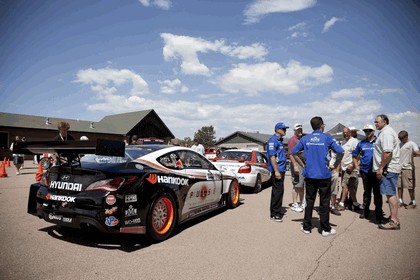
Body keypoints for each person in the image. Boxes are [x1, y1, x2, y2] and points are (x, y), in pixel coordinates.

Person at [292, 116, 344, 236]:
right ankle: (325, 229)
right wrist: (335, 164)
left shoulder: (306, 138)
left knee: (309, 201)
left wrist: (303, 165)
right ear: (322, 125)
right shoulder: (327, 138)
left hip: (310, 174)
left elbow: (294, 152)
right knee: (324, 202)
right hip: (324, 174)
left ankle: (307, 227)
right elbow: (340, 151)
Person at [352, 124, 385, 223]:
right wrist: (356, 166)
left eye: (369, 131)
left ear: (373, 131)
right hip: (365, 171)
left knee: (377, 193)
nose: (367, 132)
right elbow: (354, 155)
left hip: (376, 171)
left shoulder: (379, 142)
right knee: (367, 192)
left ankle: (378, 213)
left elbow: (386, 154)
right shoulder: (361, 143)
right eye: (365, 131)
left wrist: (382, 168)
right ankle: (365, 211)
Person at [373, 114, 401, 230]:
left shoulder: (387, 133)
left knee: (390, 194)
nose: (376, 124)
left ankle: (394, 221)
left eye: (377, 122)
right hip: (388, 168)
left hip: (388, 169)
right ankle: (393, 218)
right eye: (375, 122)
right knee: (390, 194)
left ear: (385, 121)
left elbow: (387, 153)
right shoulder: (384, 132)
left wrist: (381, 168)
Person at [267, 122, 289, 222]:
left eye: (285, 129)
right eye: (283, 129)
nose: (285, 131)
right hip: (278, 170)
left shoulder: (280, 140)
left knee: (279, 191)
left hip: (282, 169)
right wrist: (276, 171)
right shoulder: (273, 140)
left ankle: (277, 211)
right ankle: (275, 213)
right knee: (277, 191)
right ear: (277, 130)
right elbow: (272, 157)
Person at [337, 127, 362, 211]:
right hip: (344, 168)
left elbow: (358, 154)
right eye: (343, 133)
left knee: (345, 186)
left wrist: (352, 164)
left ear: (350, 133)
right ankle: (355, 203)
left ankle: (341, 203)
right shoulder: (344, 142)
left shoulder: (354, 141)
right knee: (350, 187)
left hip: (351, 168)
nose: (345, 134)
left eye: (346, 132)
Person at [397, 130, 420, 209]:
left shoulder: (412, 144)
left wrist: (417, 153)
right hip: (399, 168)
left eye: (402, 138)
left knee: (410, 186)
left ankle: (413, 202)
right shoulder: (399, 144)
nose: (400, 140)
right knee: (399, 186)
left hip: (408, 168)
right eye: (399, 138)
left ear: (406, 137)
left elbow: (417, 151)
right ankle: (400, 201)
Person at [287, 123, 304, 213]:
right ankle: (294, 203)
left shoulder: (301, 139)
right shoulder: (292, 140)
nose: (300, 131)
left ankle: (301, 202)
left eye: (301, 129)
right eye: (298, 129)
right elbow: (290, 154)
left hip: (302, 165)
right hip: (296, 165)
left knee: (302, 185)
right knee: (296, 185)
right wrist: (295, 166)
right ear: (294, 130)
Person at [328, 148, 341, 216]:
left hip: (334, 171)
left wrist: (337, 170)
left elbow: (339, 158)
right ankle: (325, 206)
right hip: (325, 171)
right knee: (324, 190)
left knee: (334, 190)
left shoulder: (335, 149)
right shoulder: (323, 147)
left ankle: (333, 206)